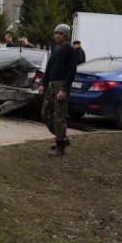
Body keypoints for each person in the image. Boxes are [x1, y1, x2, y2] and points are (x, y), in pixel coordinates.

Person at [39, 24, 77, 158]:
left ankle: (60, 146)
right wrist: (43, 84)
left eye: (60, 33)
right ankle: (62, 137)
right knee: (45, 113)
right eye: (56, 33)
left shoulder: (70, 50)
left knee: (59, 116)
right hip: (51, 85)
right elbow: (49, 68)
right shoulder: (55, 49)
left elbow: (72, 71)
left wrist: (65, 89)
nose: (57, 35)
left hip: (62, 86)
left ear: (66, 36)